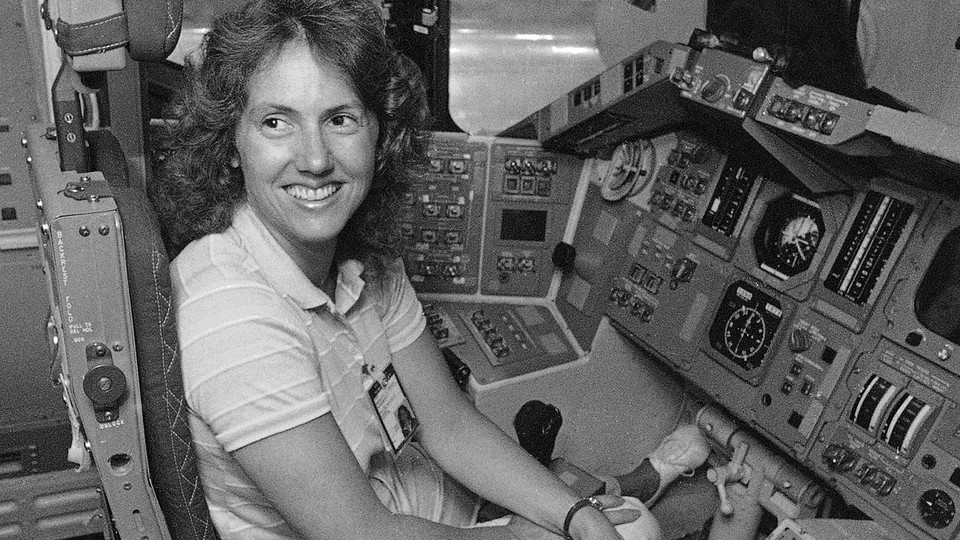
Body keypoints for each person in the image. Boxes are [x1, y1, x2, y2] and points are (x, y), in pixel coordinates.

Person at [151, 1, 760, 539]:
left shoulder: (366, 269)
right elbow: (360, 533)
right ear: (231, 143)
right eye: (275, 122)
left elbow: (447, 426)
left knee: (604, 513)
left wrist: (571, 517)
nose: (314, 158)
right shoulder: (232, 315)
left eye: (341, 119)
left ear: (378, 136)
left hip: (436, 507)